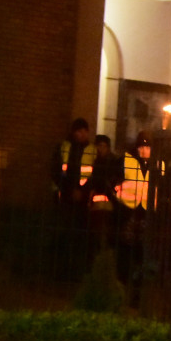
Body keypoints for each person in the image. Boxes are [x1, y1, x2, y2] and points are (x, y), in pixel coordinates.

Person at [49, 118, 95, 279]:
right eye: (78, 131)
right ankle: (61, 271)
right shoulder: (64, 147)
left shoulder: (91, 150)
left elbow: (93, 174)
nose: (81, 134)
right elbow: (57, 171)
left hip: (83, 202)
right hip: (65, 199)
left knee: (80, 237)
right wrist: (69, 190)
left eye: (84, 131)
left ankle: (76, 272)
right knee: (64, 235)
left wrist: (82, 191)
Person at [116, 131, 154, 306]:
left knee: (141, 256)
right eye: (142, 146)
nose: (145, 150)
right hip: (128, 212)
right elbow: (114, 181)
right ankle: (121, 289)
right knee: (125, 254)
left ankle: (136, 295)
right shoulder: (126, 160)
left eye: (148, 147)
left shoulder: (158, 164)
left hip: (147, 214)